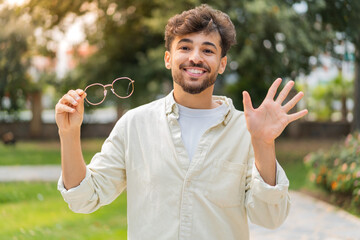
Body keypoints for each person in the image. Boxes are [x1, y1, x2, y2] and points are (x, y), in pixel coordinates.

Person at [56, 4, 307, 240]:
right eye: (185, 48)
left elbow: (270, 217)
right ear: (168, 58)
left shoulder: (247, 131)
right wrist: (68, 134)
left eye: (208, 50)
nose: (195, 58)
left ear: (221, 64)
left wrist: (263, 144)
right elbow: (84, 198)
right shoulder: (134, 125)